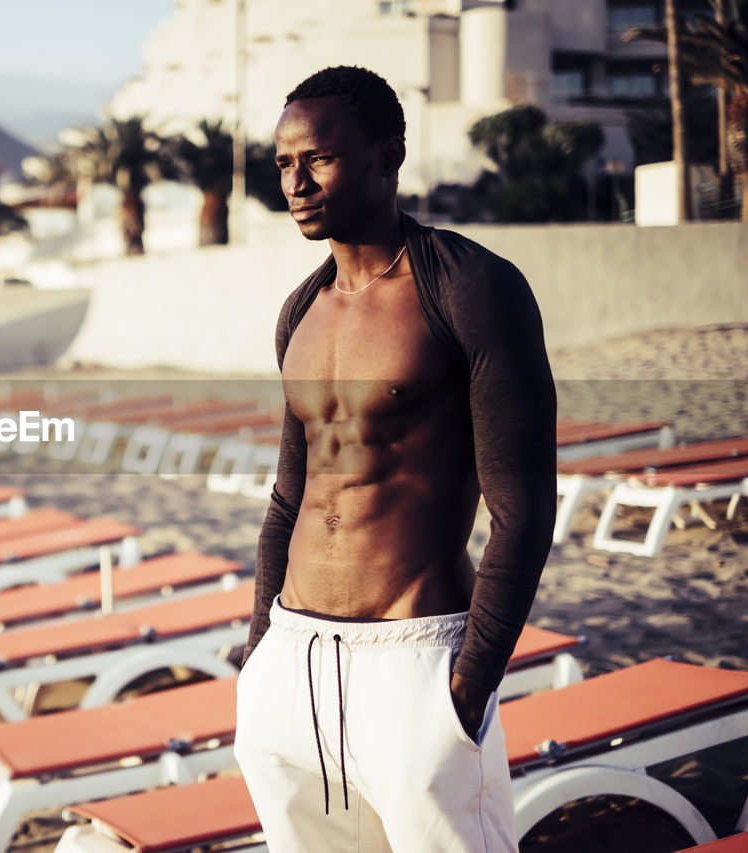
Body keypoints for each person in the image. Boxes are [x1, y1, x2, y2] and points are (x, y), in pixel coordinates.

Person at [232, 65, 557, 852]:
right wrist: (259, 651)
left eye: (320, 157)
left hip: (415, 657)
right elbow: (288, 497)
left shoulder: (471, 286)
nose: (297, 181)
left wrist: (471, 680)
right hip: (292, 660)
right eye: (283, 163)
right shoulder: (300, 311)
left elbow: (522, 505)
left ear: (388, 154)